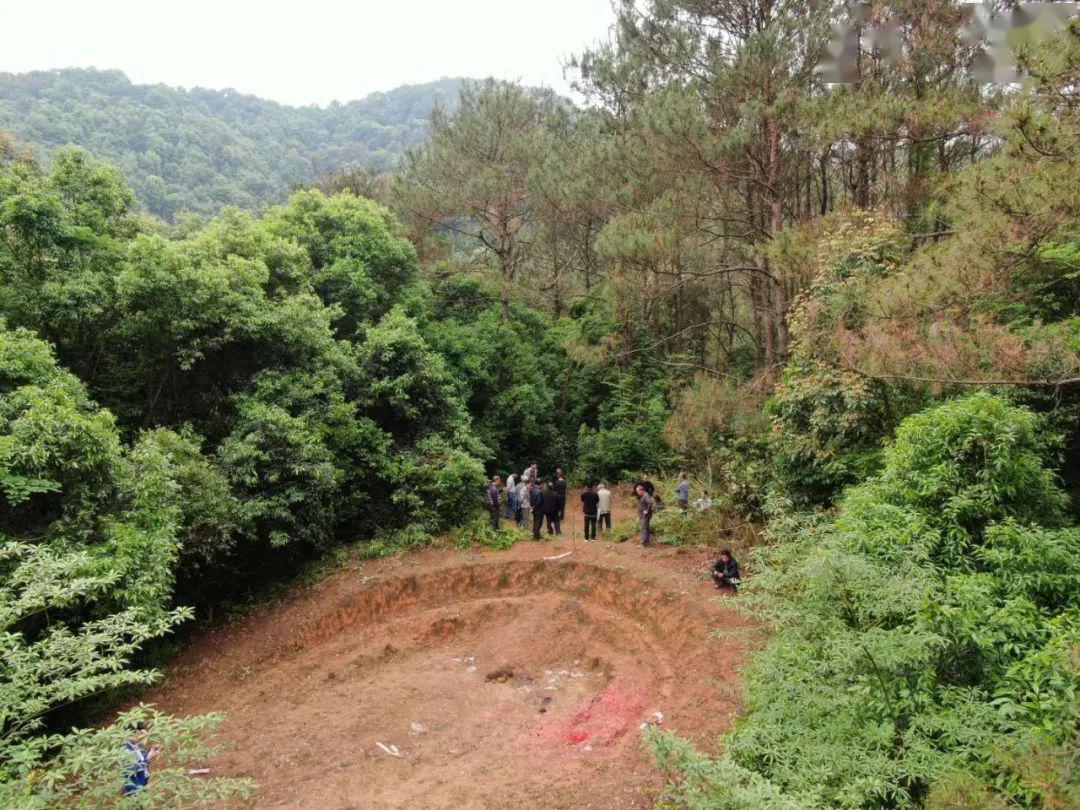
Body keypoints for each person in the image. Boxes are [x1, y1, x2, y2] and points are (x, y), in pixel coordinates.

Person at [122, 722, 159, 796]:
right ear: (131, 733)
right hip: (133, 787)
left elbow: (140, 758)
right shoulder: (125, 750)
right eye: (139, 734)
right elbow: (131, 769)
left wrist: (151, 750)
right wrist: (148, 759)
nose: (141, 737)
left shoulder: (136, 745)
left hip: (143, 781)